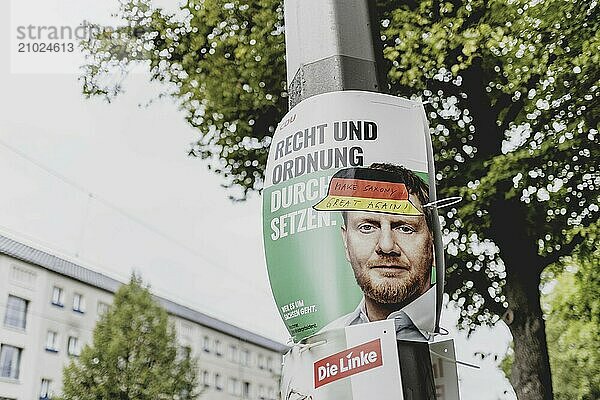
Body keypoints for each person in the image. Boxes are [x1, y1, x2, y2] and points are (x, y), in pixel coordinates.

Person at [313, 163, 435, 340]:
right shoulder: (321, 348)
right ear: (346, 243)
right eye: (367, 227)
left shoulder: (476, 344)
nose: (386, 246)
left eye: (405, 228)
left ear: (433, 245)